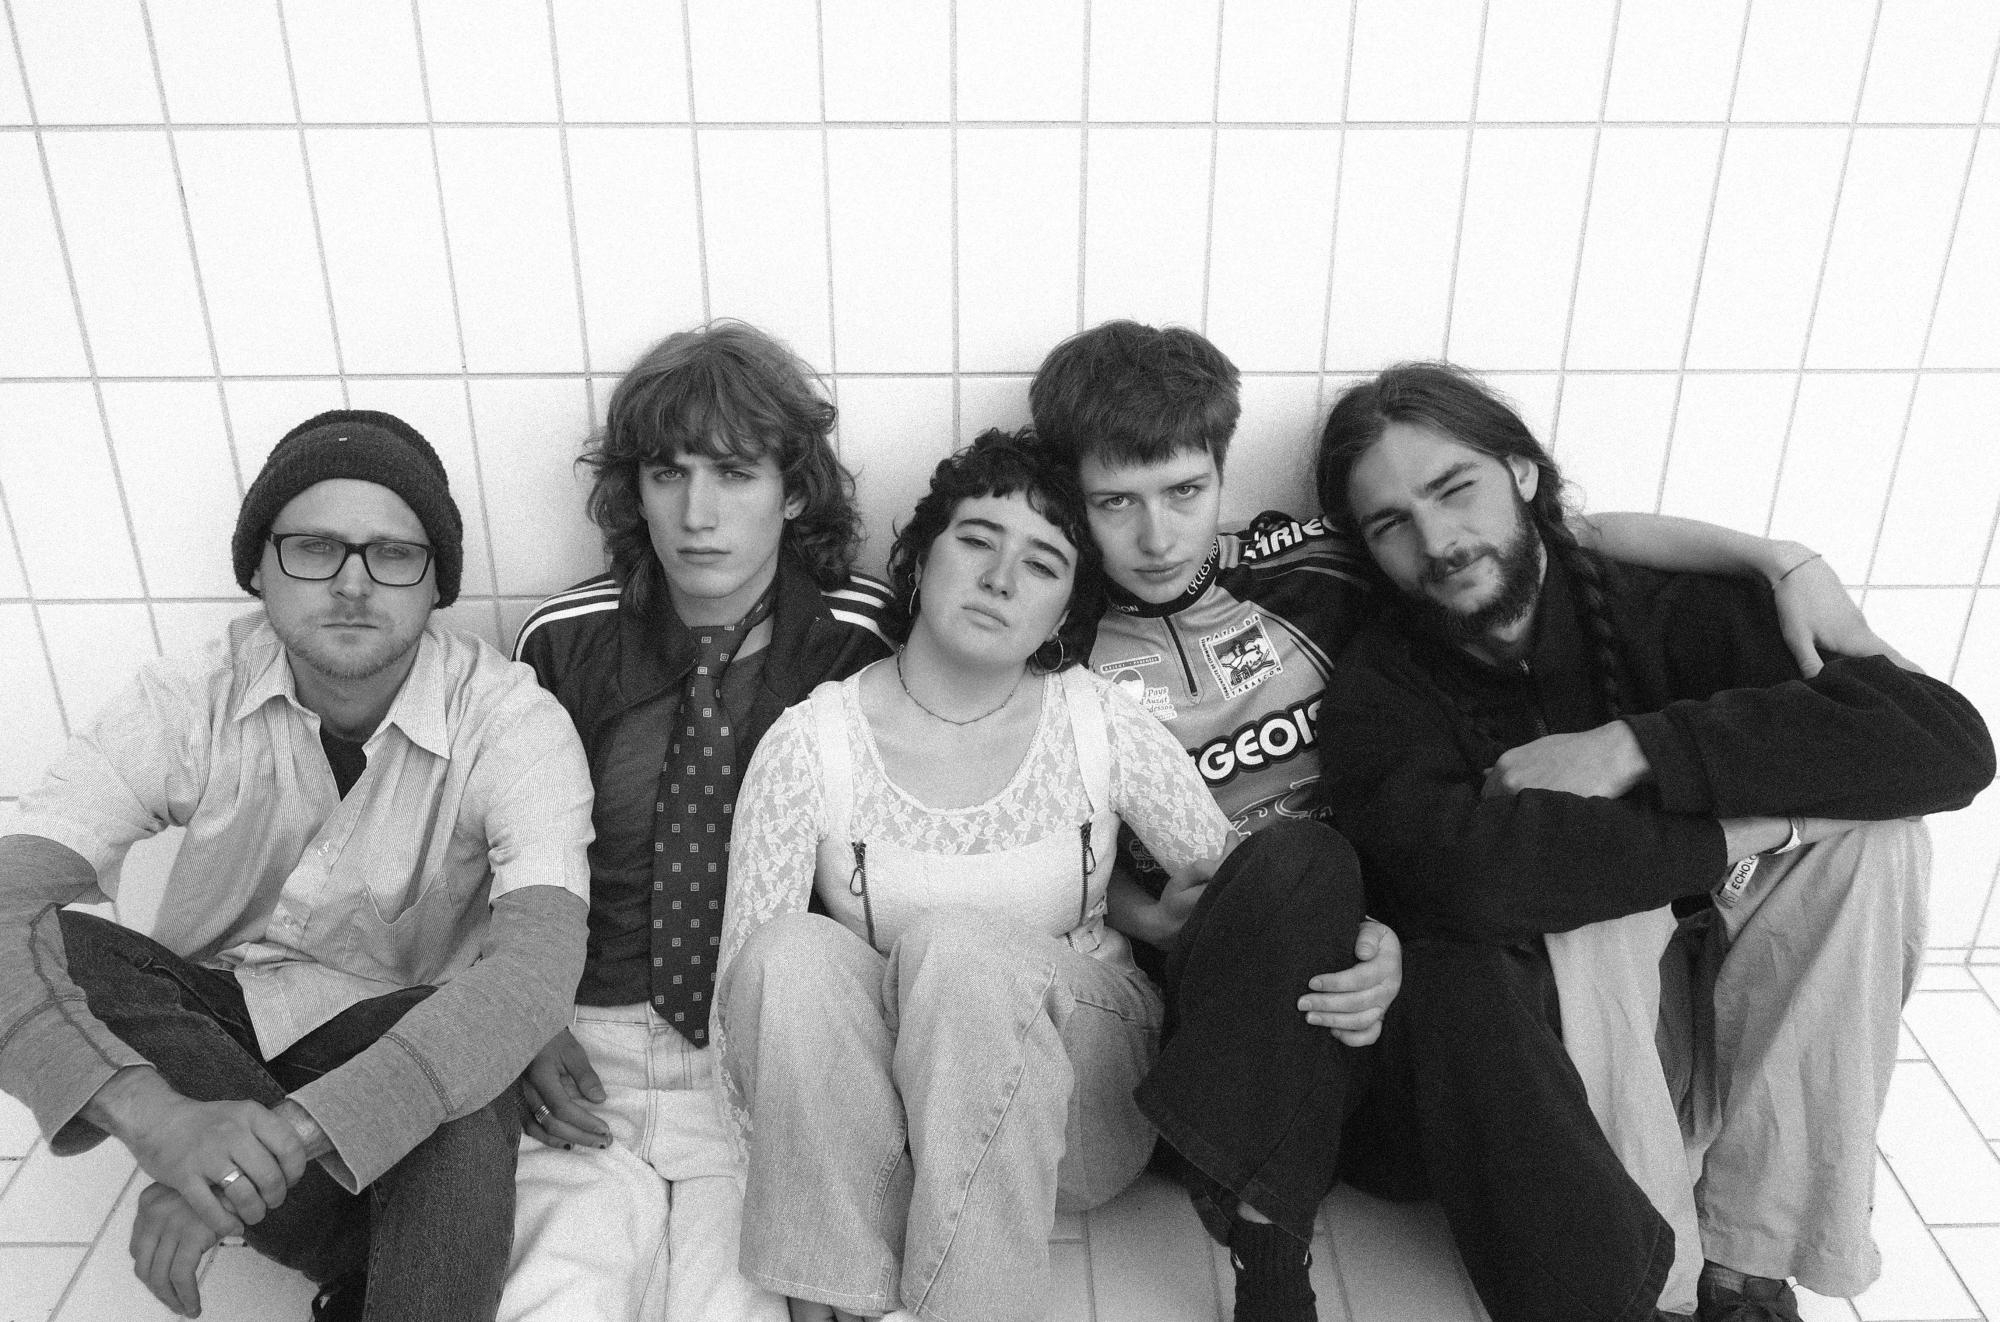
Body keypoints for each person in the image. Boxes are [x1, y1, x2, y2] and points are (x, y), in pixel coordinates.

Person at [1025, 320, 1919, 1322]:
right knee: (1314, 866)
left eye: (1185, 491)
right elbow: (1004, 804)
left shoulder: (1310, 563)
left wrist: (1774, 557)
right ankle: (1278, 1270)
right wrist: (1143, 914)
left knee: (1451, 941)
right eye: (1115, 502)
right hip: (1220, 998)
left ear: (1221, 475)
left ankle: (1695, 1279)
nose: (1156, 537)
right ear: (1074, 501)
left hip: (1380, 982)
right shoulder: (1047, 621)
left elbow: (1540, 532)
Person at [1311, 362, 1994, 1322]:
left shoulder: (1668, 604)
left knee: (1873, 847)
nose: (1437, 540)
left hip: (1750, 1040)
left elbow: (1947, 745)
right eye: (1391, 523)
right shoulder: (1380, 689)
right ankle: (1658, 1292)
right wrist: (1747, 830)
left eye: (1454, 488)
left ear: (1522, 475)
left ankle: (1750, 1269)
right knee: (1577, 900)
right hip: (1583, 1084)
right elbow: (1469, 880)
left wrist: (1635, 747)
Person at [0, 410, 595, 1321]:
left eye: (394, 555)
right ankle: (368, 1257)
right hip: (217, 1037)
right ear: (259, 569)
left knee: (470, 1049)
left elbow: (535, 971)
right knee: (62, 943)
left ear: (437, 583)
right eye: (316, 549)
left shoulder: (512, 721)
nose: (354, 584)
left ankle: (359, 1271)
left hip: (401, 1077)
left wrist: (271, 1143)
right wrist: (161, 1123)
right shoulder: (189, 696)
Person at [714, 429, 1316, 1322]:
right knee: (783, 954)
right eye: (976, 541)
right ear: (920, 561)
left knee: (958, 946)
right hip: (897, 1123)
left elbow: (1242, 891)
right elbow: (745, 1004)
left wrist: (1358, 938)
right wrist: (797, 1168)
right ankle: (833, 1296)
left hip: (1082, 1107)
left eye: (1041, 564)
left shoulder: (1095, 719)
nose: (1000, 579)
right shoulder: (811, 743)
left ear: (1066, 609)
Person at [503, 321, 893, 1321]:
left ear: (793, 489)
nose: (698, 514)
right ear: (633, 490)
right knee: (549, 1295)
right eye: (668, 473)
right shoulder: (564, 641)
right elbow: (500, 854)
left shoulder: (862, 639)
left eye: (734, 472)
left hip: (759, 1060)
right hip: (583, 1051)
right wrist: (525, 1022)